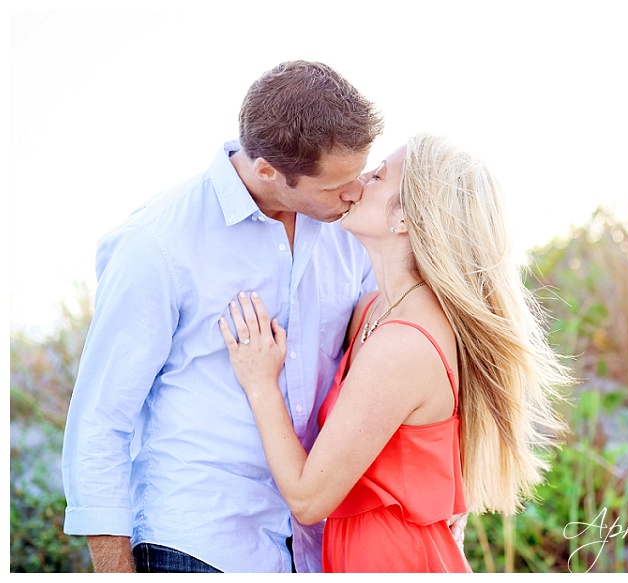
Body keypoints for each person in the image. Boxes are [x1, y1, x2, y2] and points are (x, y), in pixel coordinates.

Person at [61, 60, 384, 573]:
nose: (355, 193)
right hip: (198, 543)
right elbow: (100, 423)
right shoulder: (156, 244)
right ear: (267, 172)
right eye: (335, 185)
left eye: (360, 175)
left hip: (317, 547)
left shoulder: (354, 229)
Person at [220, 133, 570, 572]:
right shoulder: (379, 311)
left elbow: (308, 498)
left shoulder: (404, 345)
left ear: (405, 217)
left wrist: (259, 383)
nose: (359, 180)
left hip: (394, 560)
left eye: (378, 174)